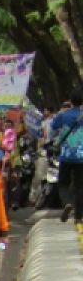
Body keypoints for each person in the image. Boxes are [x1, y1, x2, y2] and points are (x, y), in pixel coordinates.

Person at [49, 89, 83, 224]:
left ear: (70, 101)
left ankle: (67, 203)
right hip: (81, 157)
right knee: (80, 186)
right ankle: (79, 217)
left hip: (66, 156)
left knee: (63, 183)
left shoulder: (63, 115)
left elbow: (52, 128)